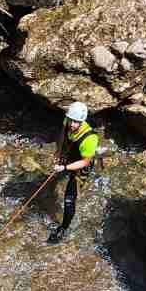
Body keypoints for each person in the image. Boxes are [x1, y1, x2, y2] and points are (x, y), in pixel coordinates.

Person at [48, 102, 101, 245]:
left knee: (69, 200)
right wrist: (58, 153)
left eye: (76, 122)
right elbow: (62, 135)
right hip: (72, 153)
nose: (72, 124)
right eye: (71, 120)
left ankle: (63, 228)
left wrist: (65, 168)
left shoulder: (90, 139)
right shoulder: (68, 120)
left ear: (82, 121)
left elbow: (84, 162)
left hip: (82, 165)